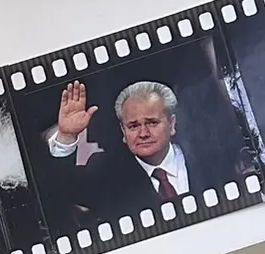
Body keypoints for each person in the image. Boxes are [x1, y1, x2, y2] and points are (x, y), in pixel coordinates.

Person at [45, 78, 238, 217]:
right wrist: (67, 136)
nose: (143, 133)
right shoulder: (108, 175)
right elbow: (63, 189)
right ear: (123, 131)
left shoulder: (211, 159)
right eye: (133, 126)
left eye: (152, 123)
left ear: (172, 124)